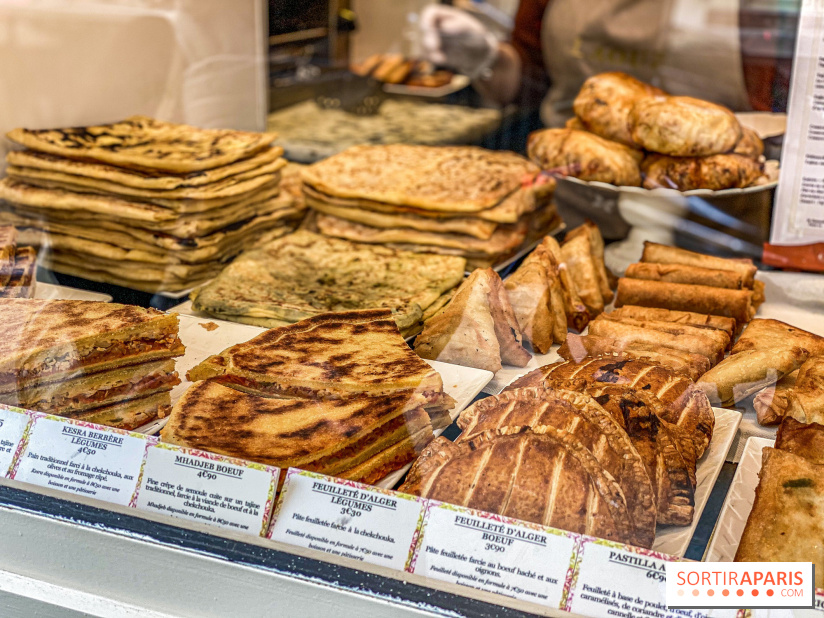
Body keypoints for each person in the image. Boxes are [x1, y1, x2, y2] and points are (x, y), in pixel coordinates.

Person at [420, 0, 795, 127]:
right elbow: (532, 79)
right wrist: (485, 58)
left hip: (714, 211)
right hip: (574, 199)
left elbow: (791, 116)